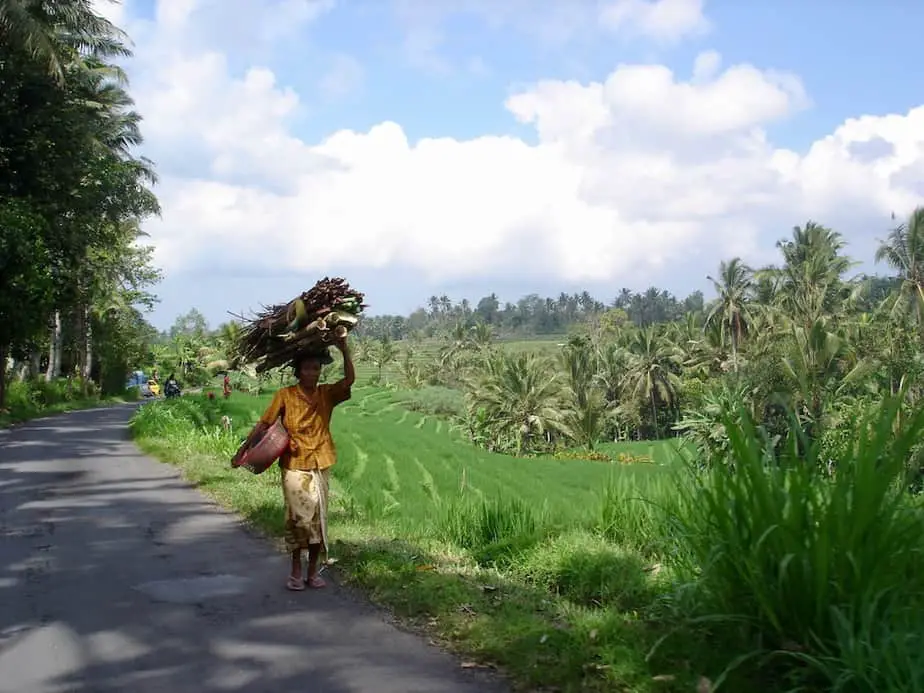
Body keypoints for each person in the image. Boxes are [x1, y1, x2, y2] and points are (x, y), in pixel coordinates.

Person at [251, 337, 355, 591]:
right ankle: (296, 569)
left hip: (320, 462)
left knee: (318, 519)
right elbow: (266, 424)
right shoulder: (285, 395)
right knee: (299, 519)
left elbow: (349, 381)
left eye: (316, 368)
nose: (312, 372)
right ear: (299, 371)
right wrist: (247, 450)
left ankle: (312, 572)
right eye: (307, 368)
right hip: (294, 464)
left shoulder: (326, 394)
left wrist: (344, 349)